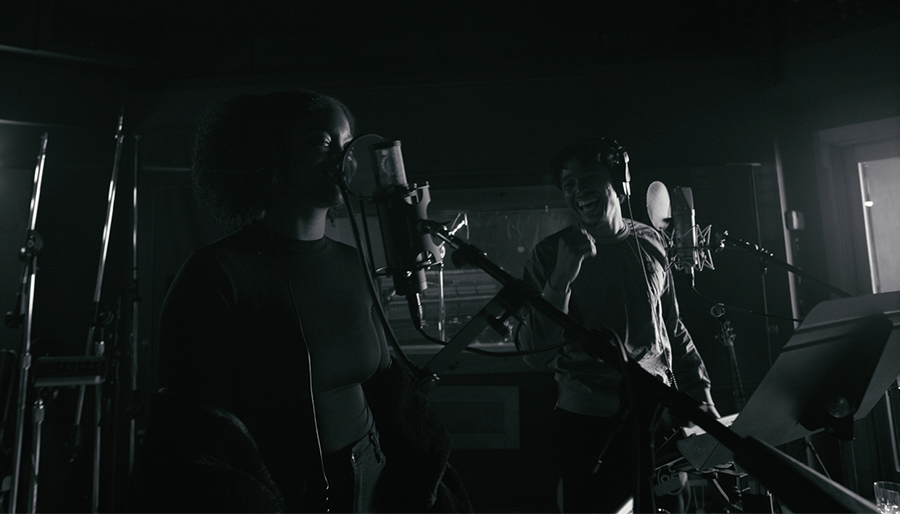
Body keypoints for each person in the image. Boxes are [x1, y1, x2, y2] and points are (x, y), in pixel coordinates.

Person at [127, 91, 469, 513]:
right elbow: (192, 428)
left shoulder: (351, 264)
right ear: (270, 155)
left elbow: (385, 385)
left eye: (346, 146)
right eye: (321, 142)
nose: (340, 159)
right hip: (282, 495)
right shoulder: (216, 274)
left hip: (374, 484)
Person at [514, 138, 717, 514]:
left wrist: (700, 392)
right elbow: (532, 353)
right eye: (569, 184)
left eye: (589, 179)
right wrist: (560, 278)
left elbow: (672, 326)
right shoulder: (548, 255)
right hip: (590, 423)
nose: (579, 192)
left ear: (621, 183)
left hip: (659, 416)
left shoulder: (652, 240)